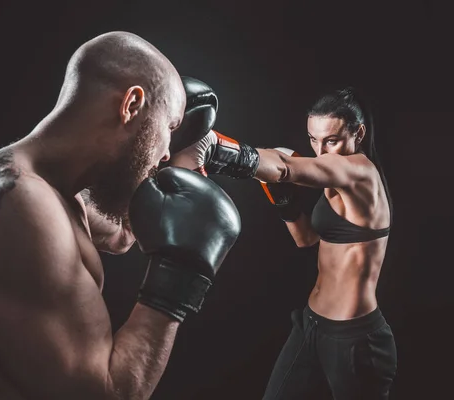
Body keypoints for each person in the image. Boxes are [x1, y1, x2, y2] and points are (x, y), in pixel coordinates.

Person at [0, 31, 241, 400]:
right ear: (132, 104)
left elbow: (121, 235)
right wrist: (180, 279)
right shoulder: (18, 208)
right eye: (169, 128)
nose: (166, 153)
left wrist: (176, 153)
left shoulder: (53, 191)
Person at [170, 87, 398, 399]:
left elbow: (286, 166)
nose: (321, 151)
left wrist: (216, 149)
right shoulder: (334, 175)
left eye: (331, 140)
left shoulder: (360, 171)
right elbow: (306, 238)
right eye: (313, 139)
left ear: (358, 133)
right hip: (311, 325)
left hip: (355, 341)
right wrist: (284, 199)